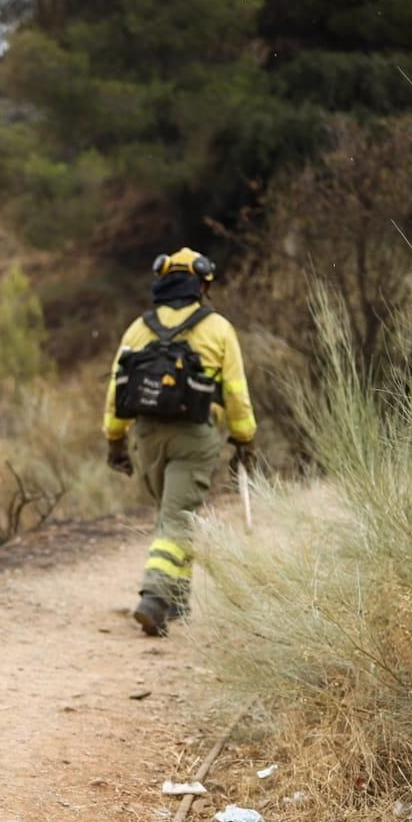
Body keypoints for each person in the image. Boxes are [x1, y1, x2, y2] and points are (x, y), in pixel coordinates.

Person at [104, 247, 256, 637]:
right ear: (202, 284)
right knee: (178, 517)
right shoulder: (218, 328)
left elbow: (117, 390)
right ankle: (155, 596)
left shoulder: (138, 329)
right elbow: (236, 394)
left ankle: (178, 601)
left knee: (172, 513)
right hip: (194, 437)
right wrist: (244, 440)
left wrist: (115, 440)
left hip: (148, 437)